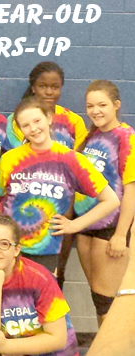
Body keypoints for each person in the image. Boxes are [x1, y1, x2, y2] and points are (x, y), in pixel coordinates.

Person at [0, 96, 120, 274]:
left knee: (39, 301)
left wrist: (75, 225)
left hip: (45, 252)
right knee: (4, 300)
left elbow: (111, 200)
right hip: (6, 248)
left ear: (49, 118)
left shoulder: (71, 160)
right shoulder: (10, 159)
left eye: (37, 120)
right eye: (26, 125)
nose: (33, 128)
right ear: (20, 130)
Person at [3, 62, 88, 288]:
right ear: (33, 87)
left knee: (54, 275)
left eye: (55, 87)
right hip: (24, 209)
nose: (49, 92)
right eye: (43, 86)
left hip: (61, 210)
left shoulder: (73, 121)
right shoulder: (17, 119)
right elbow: (13, 162)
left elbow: (78, 167)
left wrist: (72, 219)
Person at [0, 215, 79, 356]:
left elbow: (58, 339)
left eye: (4, 244)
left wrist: (6, 346)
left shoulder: (39, 277)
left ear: (17, 250)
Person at [74, 80, 135, 325]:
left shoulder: (126, 136)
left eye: (102, 105)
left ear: (116, 105)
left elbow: (130, 190)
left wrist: (121, 234)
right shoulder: (92, 136)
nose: (95, 110)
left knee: (106, 302)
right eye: (90, 105)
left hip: (110, 229)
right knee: (97, 297)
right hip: (85, 226)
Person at [86, 220, 135, 356]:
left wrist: (120, 233)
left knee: (107, 302)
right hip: (84, 219)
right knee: (99, 300)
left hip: (114, 223)